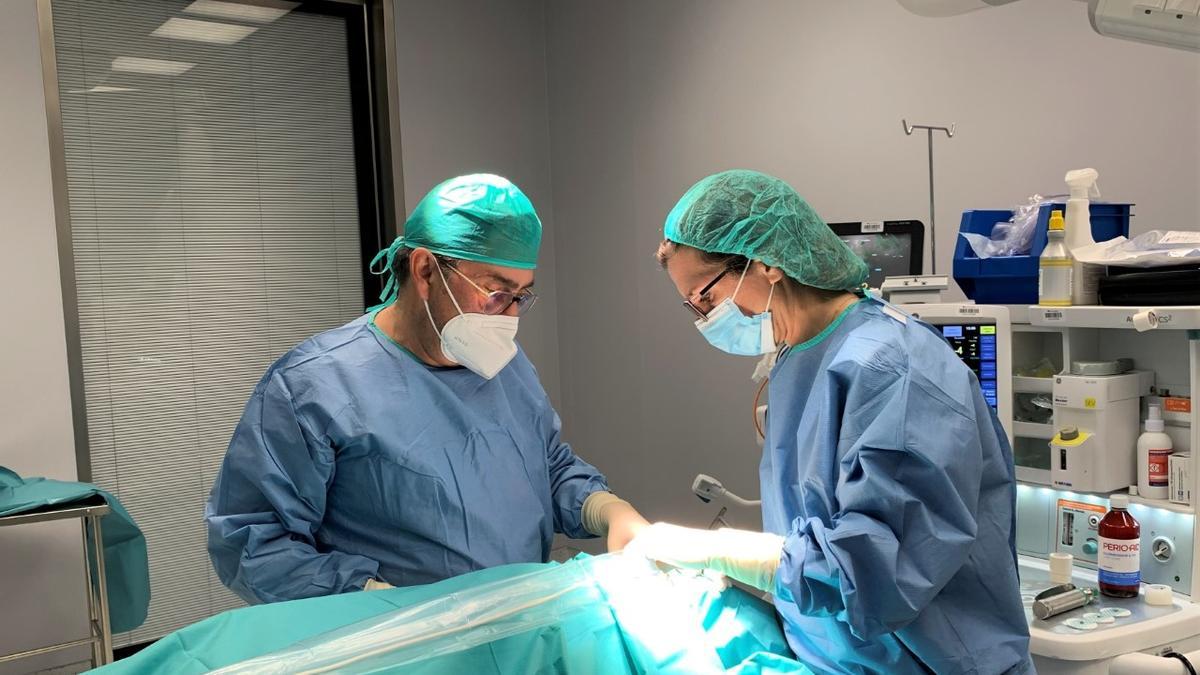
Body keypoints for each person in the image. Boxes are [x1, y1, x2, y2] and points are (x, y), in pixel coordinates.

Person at [628, 170, 1033, 674]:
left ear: (766, 263)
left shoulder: (893, 369)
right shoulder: (799, 357)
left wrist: (721, 551)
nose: (704, 317)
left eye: (706, 297)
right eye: (691, 305)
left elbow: (881, 570)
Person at [207, 173, 647, 604]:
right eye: (496, 292)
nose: (509, 317)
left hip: (517, 628)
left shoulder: (503, 365)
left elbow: (544, 466)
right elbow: (253, 541)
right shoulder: (312, 387)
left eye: (522, 296)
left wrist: (606, 509)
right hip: (400, 652)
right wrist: (380, 603)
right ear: (425, 270)